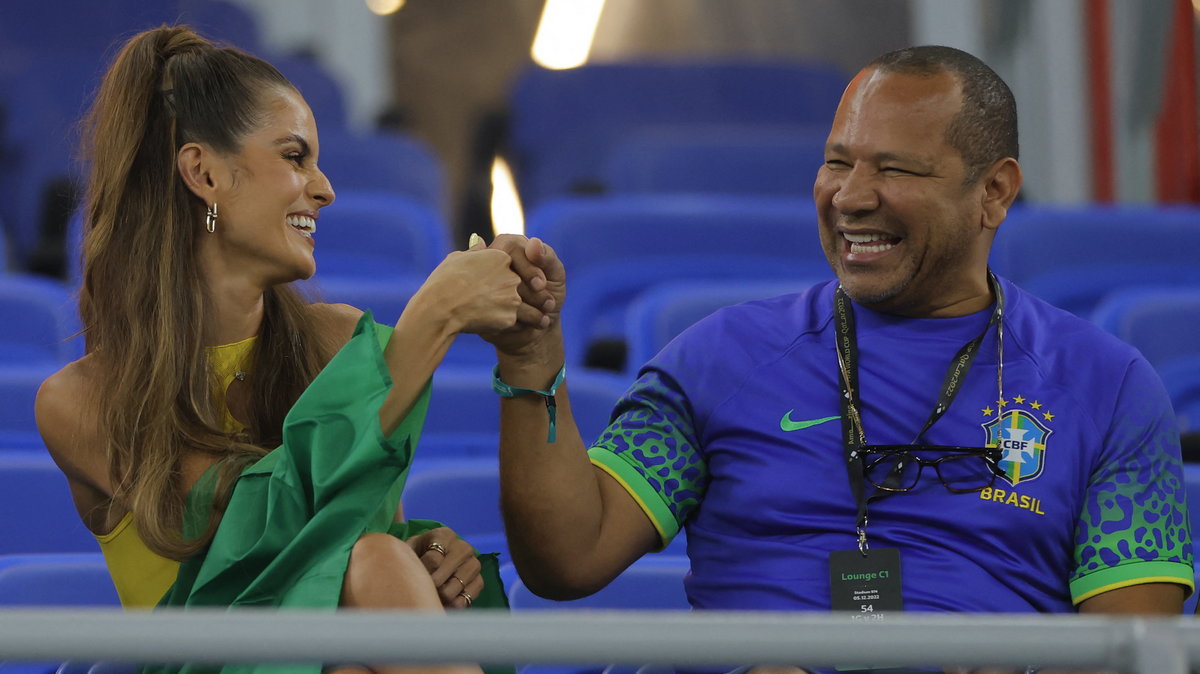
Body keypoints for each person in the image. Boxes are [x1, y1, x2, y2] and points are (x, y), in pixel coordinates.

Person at [486, 46, 1193, 671]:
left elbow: (1134, 651)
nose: (851, 197)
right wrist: (528, 362)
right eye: (837, 162)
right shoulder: (720, 359)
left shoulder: (1109, 387)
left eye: (895, 169)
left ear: (994, 192)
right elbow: (568, 560)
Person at [34, 26, 548, 674]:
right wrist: (433, 318)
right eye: (295, 156)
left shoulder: (337, 342)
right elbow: (252, 532)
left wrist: (430, 556)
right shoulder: (79, 401)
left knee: (377, 569)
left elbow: (359, 539)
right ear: (204, 173)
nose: (324, 188)